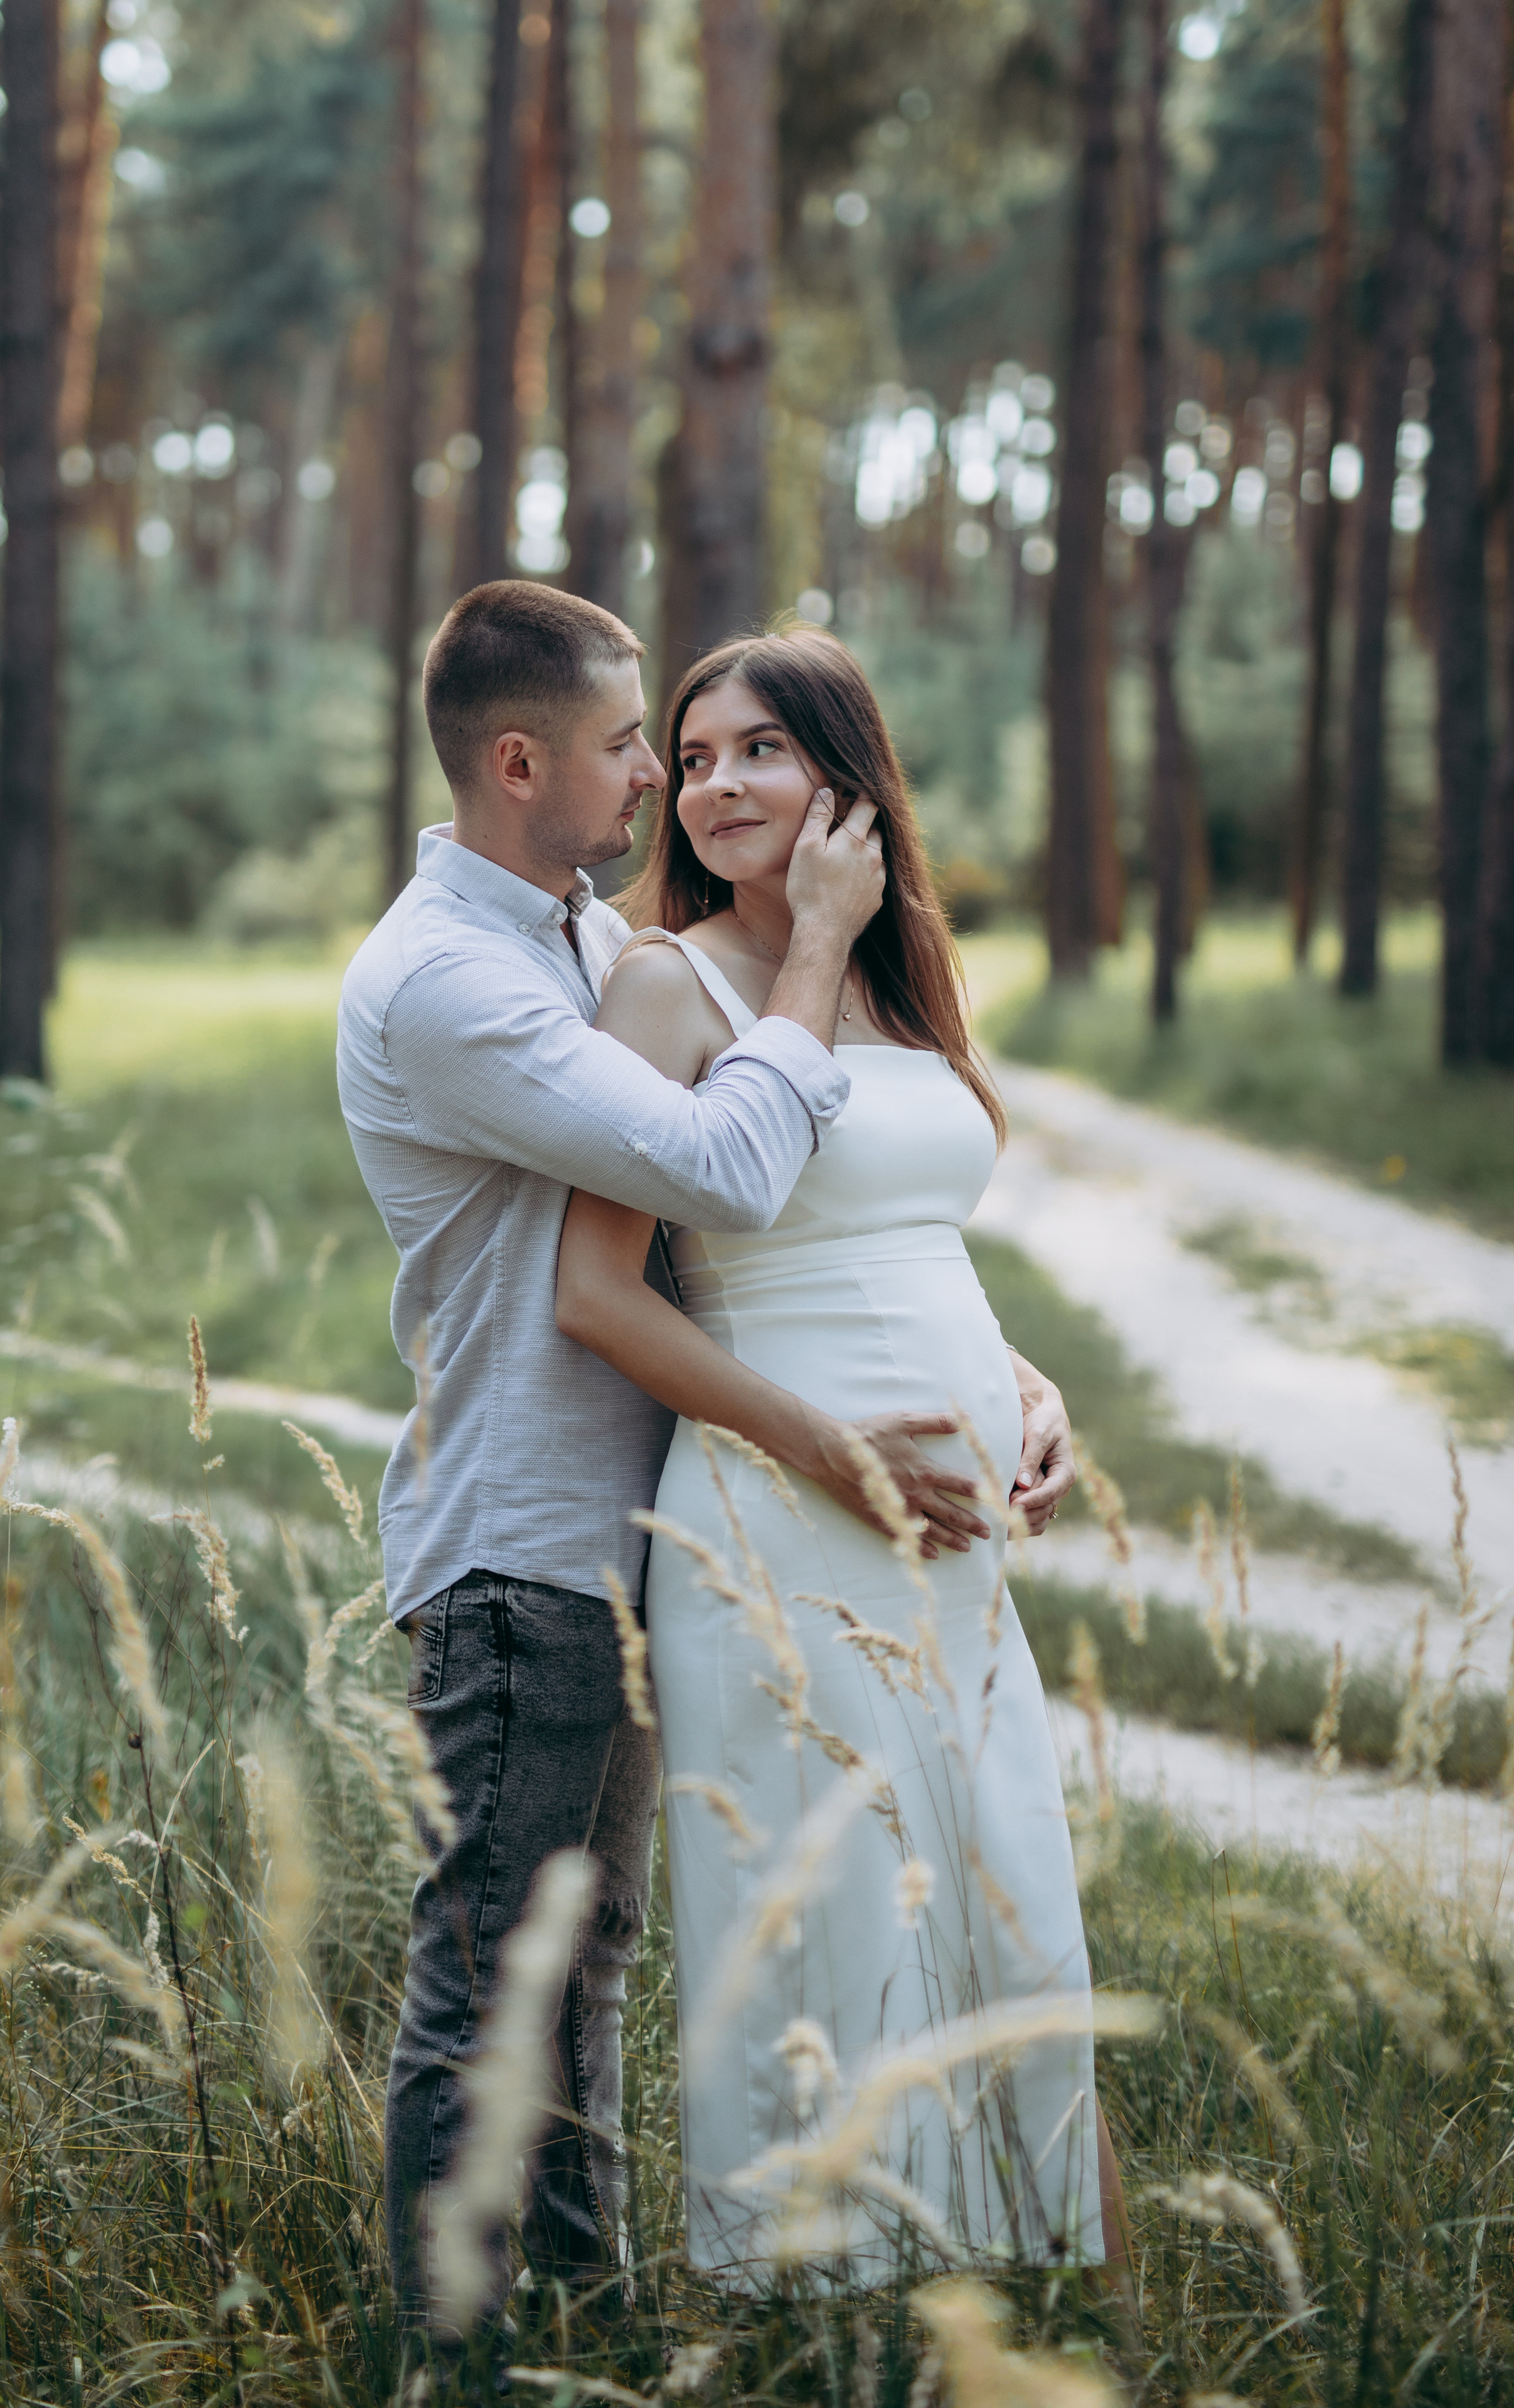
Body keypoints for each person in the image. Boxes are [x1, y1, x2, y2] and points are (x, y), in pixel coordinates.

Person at [336, 580, 886, 2337]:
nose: (656, 775)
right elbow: (718, 1172)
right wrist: (810, 948)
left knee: (589, 1978)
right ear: (519, 760)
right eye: (628, 742)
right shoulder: (442, 982)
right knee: (490, 1987)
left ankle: (587, 2328)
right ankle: (456, 2358)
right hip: (520, 1549)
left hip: (630, 1545)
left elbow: (735, 1239)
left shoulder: (569, 940)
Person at [555, 625, 1128, 2284]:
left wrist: (1023, 1386)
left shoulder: (891, 978)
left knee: (994, 1873)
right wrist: (827, 1455)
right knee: (832, 1904)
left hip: (951, 1544)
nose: (719, 783)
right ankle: (824, 2301)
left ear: (847, 780)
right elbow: (603, 1294)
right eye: (700, 752)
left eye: (763, 750)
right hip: (779, 1516)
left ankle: (1032, 2281)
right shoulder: (672, 986)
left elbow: (900, 1236)